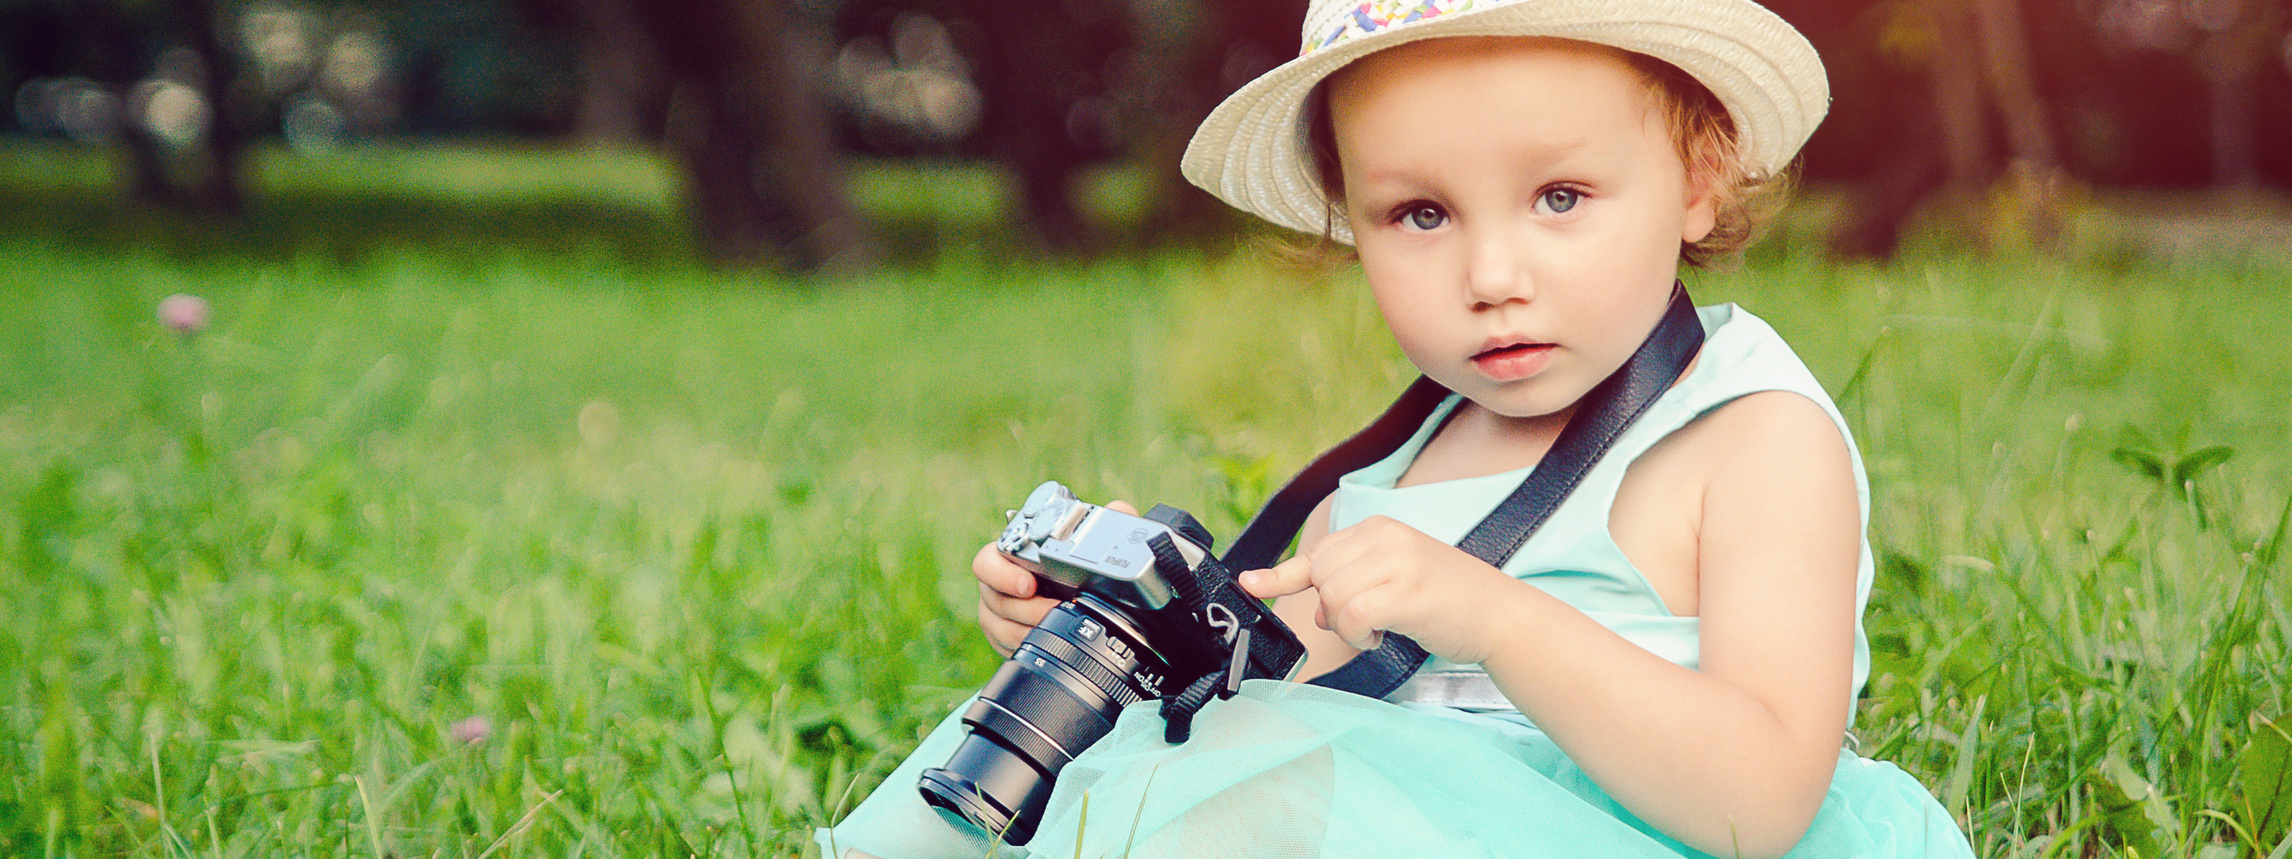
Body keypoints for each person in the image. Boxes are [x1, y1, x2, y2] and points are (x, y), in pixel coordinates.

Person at [819, 1, 1978, 856]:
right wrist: (1126, 625)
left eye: (1560, 197)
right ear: (1349, 226)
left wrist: (1490, 616)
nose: (1490, 273)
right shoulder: (1390, 473)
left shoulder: (1752, 440)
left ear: (1699, 176)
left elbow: (1763, 797)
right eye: (1420, 212)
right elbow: (1284, 704)